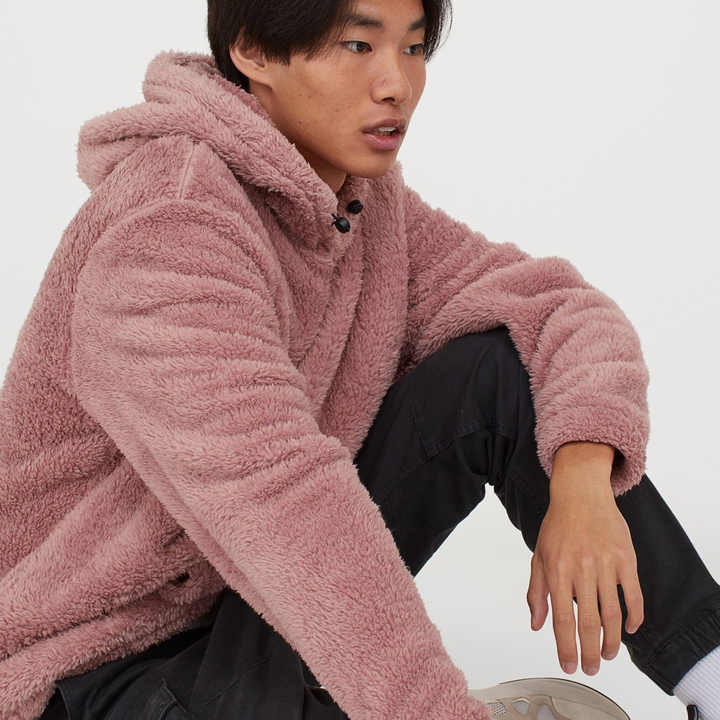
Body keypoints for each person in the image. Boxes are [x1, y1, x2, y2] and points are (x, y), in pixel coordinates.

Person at [1, 0, 718, 718]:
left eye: (413, 49)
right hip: (92, 675)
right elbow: (284, 505)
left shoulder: (352, 206)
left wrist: (583, 477)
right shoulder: (169, 228)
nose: (396, 84)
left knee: (498, 367)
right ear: (254, 51)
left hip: (246, 622)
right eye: (357, 46)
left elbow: (555, 306)